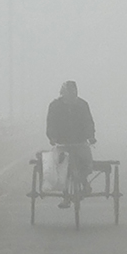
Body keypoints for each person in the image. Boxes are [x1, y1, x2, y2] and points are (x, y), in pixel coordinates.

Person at [46, 80, 96, 208]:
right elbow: (51, 123)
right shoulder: (55, 106)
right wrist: (52, 137)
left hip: (80, 142)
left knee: (87, 163)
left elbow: (88, 122)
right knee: (61, 168)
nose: (71, 96)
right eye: (69, 93)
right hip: (62, 143)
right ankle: (66, 195)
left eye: (73, 93)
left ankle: (84, 182)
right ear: (63, 93)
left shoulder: (82, 105)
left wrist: (91, 136)